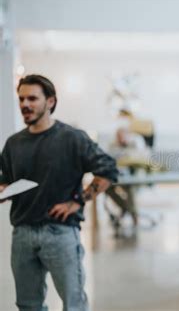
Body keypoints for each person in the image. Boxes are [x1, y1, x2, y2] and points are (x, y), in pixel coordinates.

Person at [0, 74, 118, 311]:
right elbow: (6, 182)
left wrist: (78, 201)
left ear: (50, 102)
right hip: (22, 234)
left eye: (32, 98)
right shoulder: (14, 143)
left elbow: (108, 171)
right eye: (21, 99)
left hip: (61, 233)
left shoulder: (72, 138)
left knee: (73, 304)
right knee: (27, 305)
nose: (25, 104)